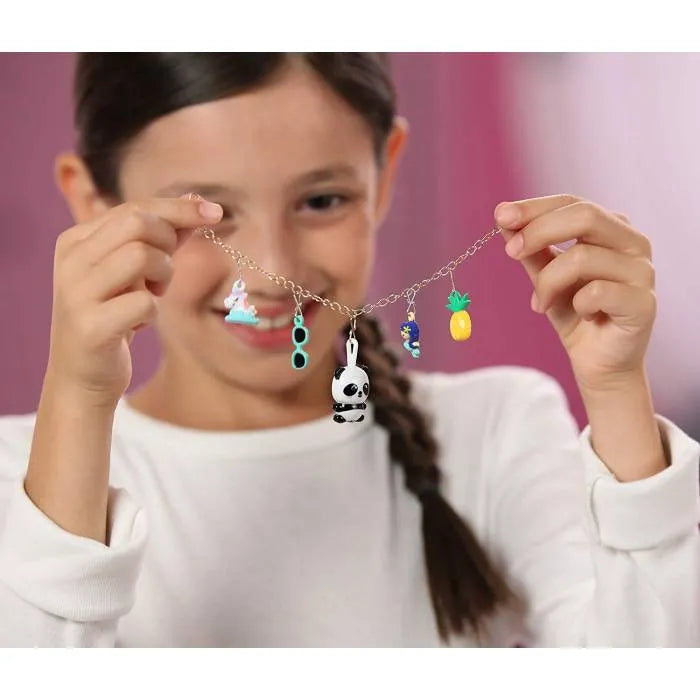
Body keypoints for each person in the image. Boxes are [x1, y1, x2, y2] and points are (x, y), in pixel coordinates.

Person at [0, 53, 698, 648]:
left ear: (384, 174)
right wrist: (78, 399)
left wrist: (617, 390)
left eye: (322, 201)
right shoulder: (20, 477)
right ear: (94, 204)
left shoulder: (494, 431)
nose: (271, 272)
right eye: (210, 216)